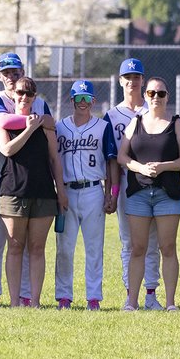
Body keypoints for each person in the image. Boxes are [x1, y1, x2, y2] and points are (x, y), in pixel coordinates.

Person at [0, 53, 54, 306]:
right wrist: (35, 122)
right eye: (7, 73)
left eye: (15, 72)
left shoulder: (39, 100)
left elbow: (50, 122)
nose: (11, 77)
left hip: (31, 175)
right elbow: (2, 120)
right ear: (0, 76)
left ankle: (25, 295)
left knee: (26, 244)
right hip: (2, 171)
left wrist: (41, 121)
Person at [0, 77, 66, 308]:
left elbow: (55, 159)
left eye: (29, 94)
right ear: (13, 95)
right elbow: (7, 149)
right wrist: (28, 128)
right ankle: (15, 301)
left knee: (37, 248)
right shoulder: (3, 122)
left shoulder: (45, 125)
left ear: (35, 97)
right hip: (13, 191)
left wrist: (60, 190)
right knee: (15, 246)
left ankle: (34, 301)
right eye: (20, 93)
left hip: (43, 192)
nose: (24, 97)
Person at [120, 76, 180, 311]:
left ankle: (170, 303)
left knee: (167, 247)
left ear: (167, 96)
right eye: (151, 93)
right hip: (138, 193)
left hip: (166, 194)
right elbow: (122, 156)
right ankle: (132, 302)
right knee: (137, 248)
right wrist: (140, 167)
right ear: (145, 96)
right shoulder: (135, 122)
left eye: (161, 93)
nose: (156, 97)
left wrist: (162, 166)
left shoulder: (177, 123)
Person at [104, 58, 163, 310]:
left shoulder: (152, 110)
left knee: (153, 242)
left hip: (153, 183)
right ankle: (132, 294)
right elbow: (111, 159)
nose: (132, 81)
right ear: (120, 81)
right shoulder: (111, 115)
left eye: (137, 76)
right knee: (129, 242)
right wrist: (113, 191)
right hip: (127, 182)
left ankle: (151, 294)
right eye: (128, 77)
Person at [53, 80, 118, 310]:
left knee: (94, 248)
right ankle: (63, 296)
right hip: (67, 192)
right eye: (78, 98)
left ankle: (93, 297)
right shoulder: (60, 127)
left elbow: (111, 162)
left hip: (93, 190)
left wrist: (111, 193)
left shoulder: (102, 127)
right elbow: (53, 162)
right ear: (71, 100)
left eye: (87, 98)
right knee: (64, 248)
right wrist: (58, 191)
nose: (83, 103)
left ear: (93, 100)